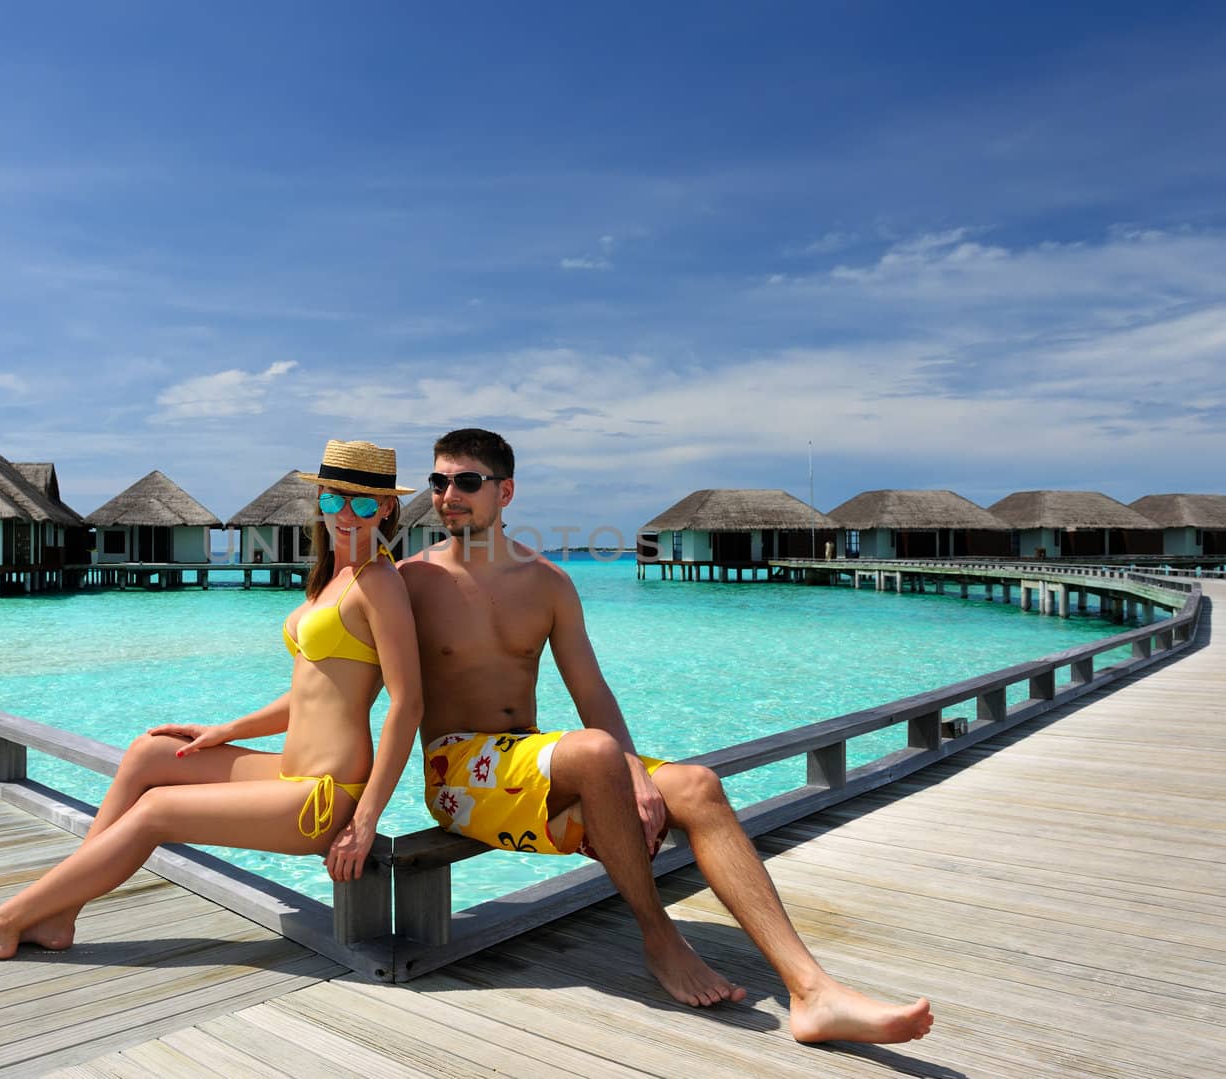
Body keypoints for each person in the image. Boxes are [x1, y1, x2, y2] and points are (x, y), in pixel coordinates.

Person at [399, 428, 932, 1045]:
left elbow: (592, 693)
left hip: (536, 762)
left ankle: (812, 990)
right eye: (439, 481)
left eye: (467, 481)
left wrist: (629, 771)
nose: (448, 495)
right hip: (455, 776)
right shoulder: (412, 582)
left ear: (506, 491)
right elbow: (343, 675)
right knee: (600, 753)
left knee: (698, 786)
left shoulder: (547, 583)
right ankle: (661, 938)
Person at [0, 439, 422, 959]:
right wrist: (225, 731)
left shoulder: (380, 582)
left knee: (157, 809)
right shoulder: (329, 582)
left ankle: (4, 922)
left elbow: (407, 705)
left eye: (363, 504)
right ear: (318, 502)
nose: (346, 514)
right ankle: (60, 914)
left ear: (385, 509)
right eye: (334, 500)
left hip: (322, 796)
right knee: (149, 752)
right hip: (288, 771)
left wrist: (364, 820)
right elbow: (309, 696)